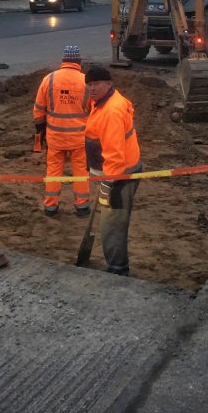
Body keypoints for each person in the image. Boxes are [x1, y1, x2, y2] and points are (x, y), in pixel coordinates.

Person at [84, 65, 142, 276]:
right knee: (111, 223)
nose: (92, 88)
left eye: (96, 84)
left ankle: (118, 270)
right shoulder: (103, 102)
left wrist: (107, 185)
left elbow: (115, 157)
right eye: (89, 85)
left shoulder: (111, 111)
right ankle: (117, 265)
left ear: (108, 83)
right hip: (117, 172)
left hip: (119, 178)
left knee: (112, 226)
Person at [33, 45, 90, 217]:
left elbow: (39, 109)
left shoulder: (49, 80)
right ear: (78, 62)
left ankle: (51, 206)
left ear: (63, 61)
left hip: (55, 137)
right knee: (81, 171)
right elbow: (93, 110)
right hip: (79, 138)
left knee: (53, 171)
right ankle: (82, 206)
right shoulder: (86, 81)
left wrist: (39, 129)